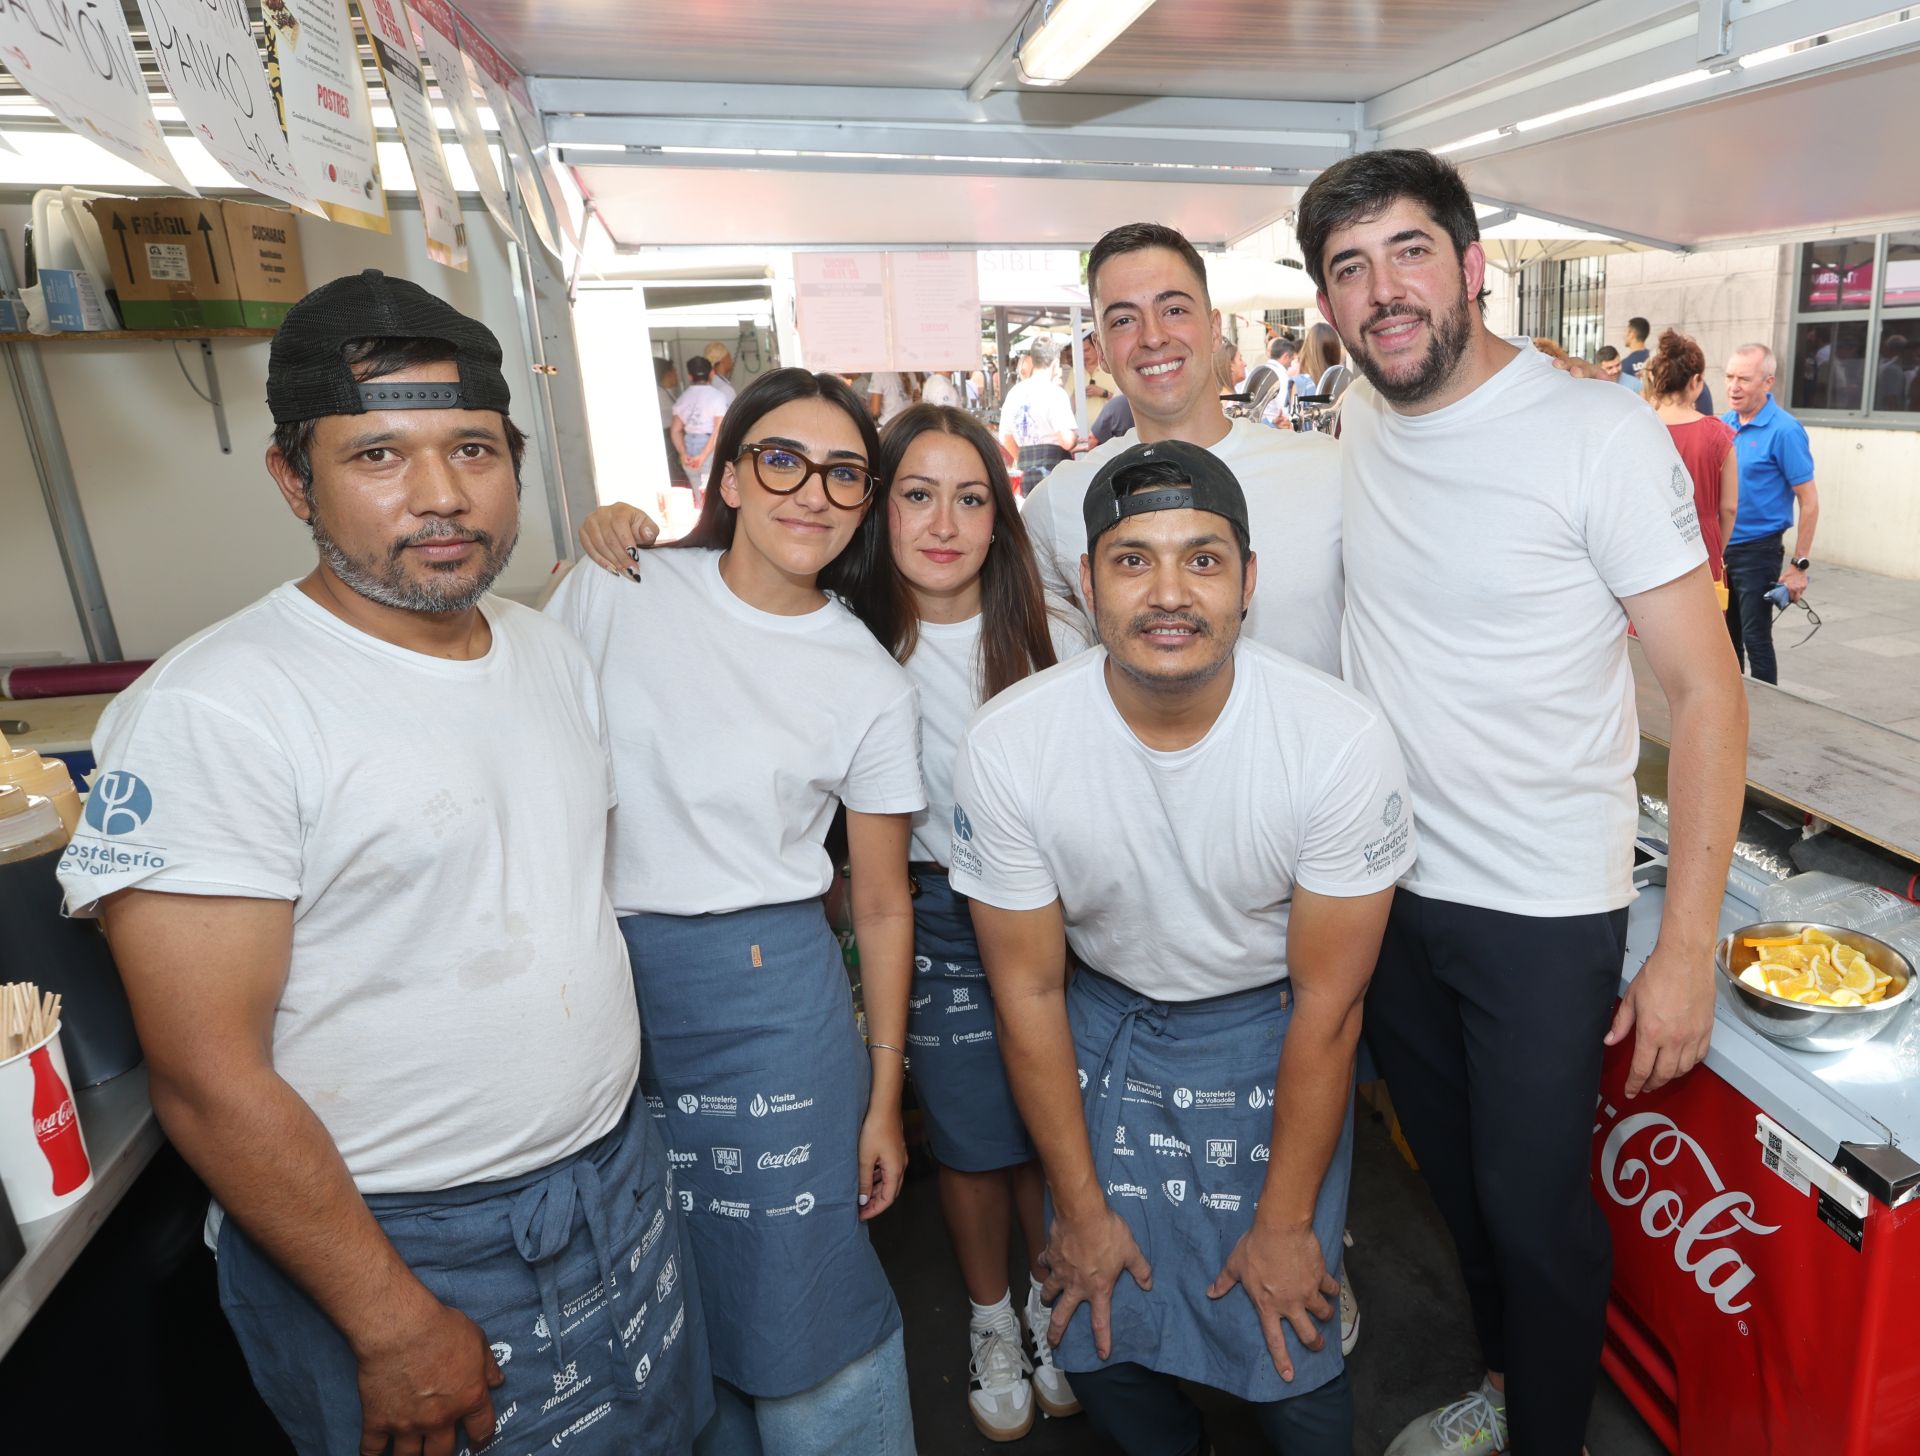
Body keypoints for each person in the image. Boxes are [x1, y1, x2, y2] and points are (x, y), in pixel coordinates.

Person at [54, 270, 712, 1456]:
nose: (441, 496)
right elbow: (207, 1080)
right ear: (291, 475)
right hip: (399, 1245)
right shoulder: (219, 711)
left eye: (471, 446)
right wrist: (390, 1319)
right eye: (378, 456)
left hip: (610, 1184)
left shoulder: (542, 646)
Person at [1294, 149, 1748, 1456]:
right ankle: (1502, 1385)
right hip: (1394, 893)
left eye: (1411, 252)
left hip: (1544, 906)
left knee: (1536, 1209)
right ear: (1328, 301)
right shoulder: (1359, 410)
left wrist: (1682, 950)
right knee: (1460, 1192)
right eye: (1350, 267)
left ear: (1475, 265)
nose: (1384, 291)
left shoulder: (1596, 434)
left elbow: (1709, 696)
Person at [951, 439, 1414, 1456]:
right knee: (1093, 1322)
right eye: (1132, 560)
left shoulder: (1336, 740)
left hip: (1277, 1027)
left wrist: (1290, 1223)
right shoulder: (1012, 742)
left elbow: (1329, 1006)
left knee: (1286, 1339)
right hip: (1102, 1019)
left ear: (1250, 582)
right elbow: (1026, 990)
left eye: (1203, 559)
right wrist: (1074, 1208)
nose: (1170, 593)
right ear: (1087, 582)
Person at [547, 368, 919, 1455]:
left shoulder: (866, 678)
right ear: (732, 473)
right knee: (651, 1283)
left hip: (773, 1006)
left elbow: (886, 904)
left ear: (864, 500)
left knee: (796, 1284)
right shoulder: (619, 589)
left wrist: (885, 1094)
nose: (812, 491)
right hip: (599, 990)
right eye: (782, 459)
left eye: (844, 472)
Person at [867, 404, 1093, 1440]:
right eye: (918, 493)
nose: (944, 522)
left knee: (1050, 1131)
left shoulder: (1049, 631)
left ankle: (1056, 1299)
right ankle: (993, 1316)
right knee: (968, 1139)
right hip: (928, 916)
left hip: (1053, 920)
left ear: (999, 518)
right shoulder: (847, 634)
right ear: (880, 506)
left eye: (970, 497)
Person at [1019, 221, 1346, 681]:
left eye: (1173, 309)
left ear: (1214, 330)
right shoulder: (1062, 498)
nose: (1153, 337)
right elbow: (1028, 619)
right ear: (1103, 351)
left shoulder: (1326, 470)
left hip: (1319, 750)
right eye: (1124, 320)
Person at [1721, 343, 1818, 686]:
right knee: (1724, 641)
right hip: (1721, 550)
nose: (1733, 386)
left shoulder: (1785, 430)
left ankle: (1766, 720)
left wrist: (1799, 566)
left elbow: (1809, 500)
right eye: (1730, 376)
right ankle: (1731, 715)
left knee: (1755, 639)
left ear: (1767, 382)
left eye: (1744, 379)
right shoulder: (1723, 424)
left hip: (1758, 552)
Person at [1646, 330, 1738, 589]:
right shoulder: (1716, 433)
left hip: (1650, 544)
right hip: (1702, 543)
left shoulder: (1639, 426)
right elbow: (1729, 508)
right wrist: (1718, 547)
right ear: (1696, 380)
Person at [998, 336, 1078, 493]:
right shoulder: (1055, 393)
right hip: (1054, 471)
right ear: (1055, 363)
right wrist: (1075, 438)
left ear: (1033, 360)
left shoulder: (1015, 392)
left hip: (1025, 471)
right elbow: (1066, 441)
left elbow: (1005, 437)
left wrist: (1023, 458)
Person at [671, 355, 729, 506]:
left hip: (689, 446)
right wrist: (703, 456)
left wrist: (683, 453)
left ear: (690, 376)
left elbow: (676, 430)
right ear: (712, 373)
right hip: (710, 447)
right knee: (714, 494)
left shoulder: (683, 398)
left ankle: (703, 524)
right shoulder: (718, 397)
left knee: (699, 494)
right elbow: (719, 429)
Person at [657, 355, 691, 494]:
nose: (677, 374)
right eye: (674, 371)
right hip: (667, 441)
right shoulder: (659, 395)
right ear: (668, 374)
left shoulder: (666, 393)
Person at [1297, 321, 1350, 400]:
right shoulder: (1345, 382)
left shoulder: (1301, 383)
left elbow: (1293, 411)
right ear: (1335, 350)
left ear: (1308, 347)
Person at [1619, 317, 1651, 384]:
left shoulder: (1624, 365)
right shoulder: (1654, 359)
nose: (1623, 335)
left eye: (1625, 331)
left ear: (1632, 334)